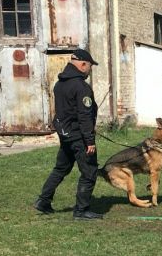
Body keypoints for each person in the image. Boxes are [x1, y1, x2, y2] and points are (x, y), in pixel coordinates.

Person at [34, 48, 103, 220]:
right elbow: (84, 115)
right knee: (89, 171)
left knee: (61, 168)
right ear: (83, 64)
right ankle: (81, 210)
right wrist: (89, 141)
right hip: (79, 137)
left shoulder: (60, 84)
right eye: (90, 66)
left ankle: (43, 201)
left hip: (66, 135)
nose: (90, 70)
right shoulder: (81, 87)